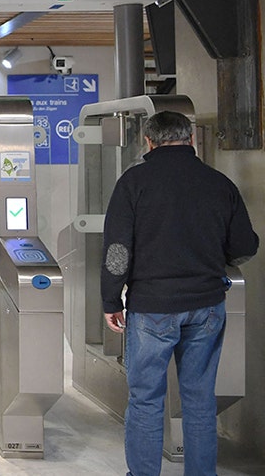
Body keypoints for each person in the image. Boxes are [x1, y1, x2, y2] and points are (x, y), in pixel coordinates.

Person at [101, 110, 257, 476]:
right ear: (189, 139)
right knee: (200, 401)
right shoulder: (219, 184)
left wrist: (111, 299)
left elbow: (118, 251)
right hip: (206, 306)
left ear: (149, 142)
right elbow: (244, 245)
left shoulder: (133, 183)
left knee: (145, 400)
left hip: (152, 307)